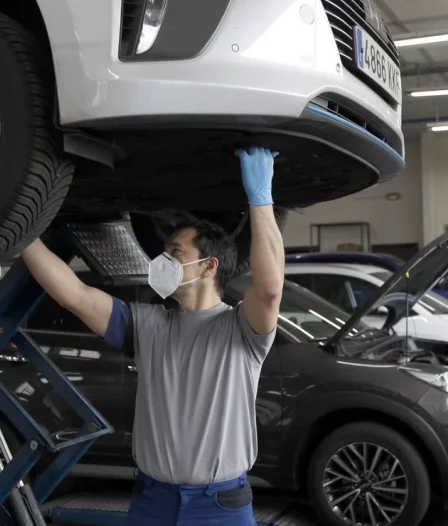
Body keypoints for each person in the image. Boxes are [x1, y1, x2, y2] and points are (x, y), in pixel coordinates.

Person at [20, 147, 284, 525]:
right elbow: (73, 294)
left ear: (209, 265)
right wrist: (21, 233)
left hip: (220, 507)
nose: (162, 262)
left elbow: (270, 289)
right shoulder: (146, 325)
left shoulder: (243, 328)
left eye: (175, 251)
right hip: (152, 502)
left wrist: (261, 199)